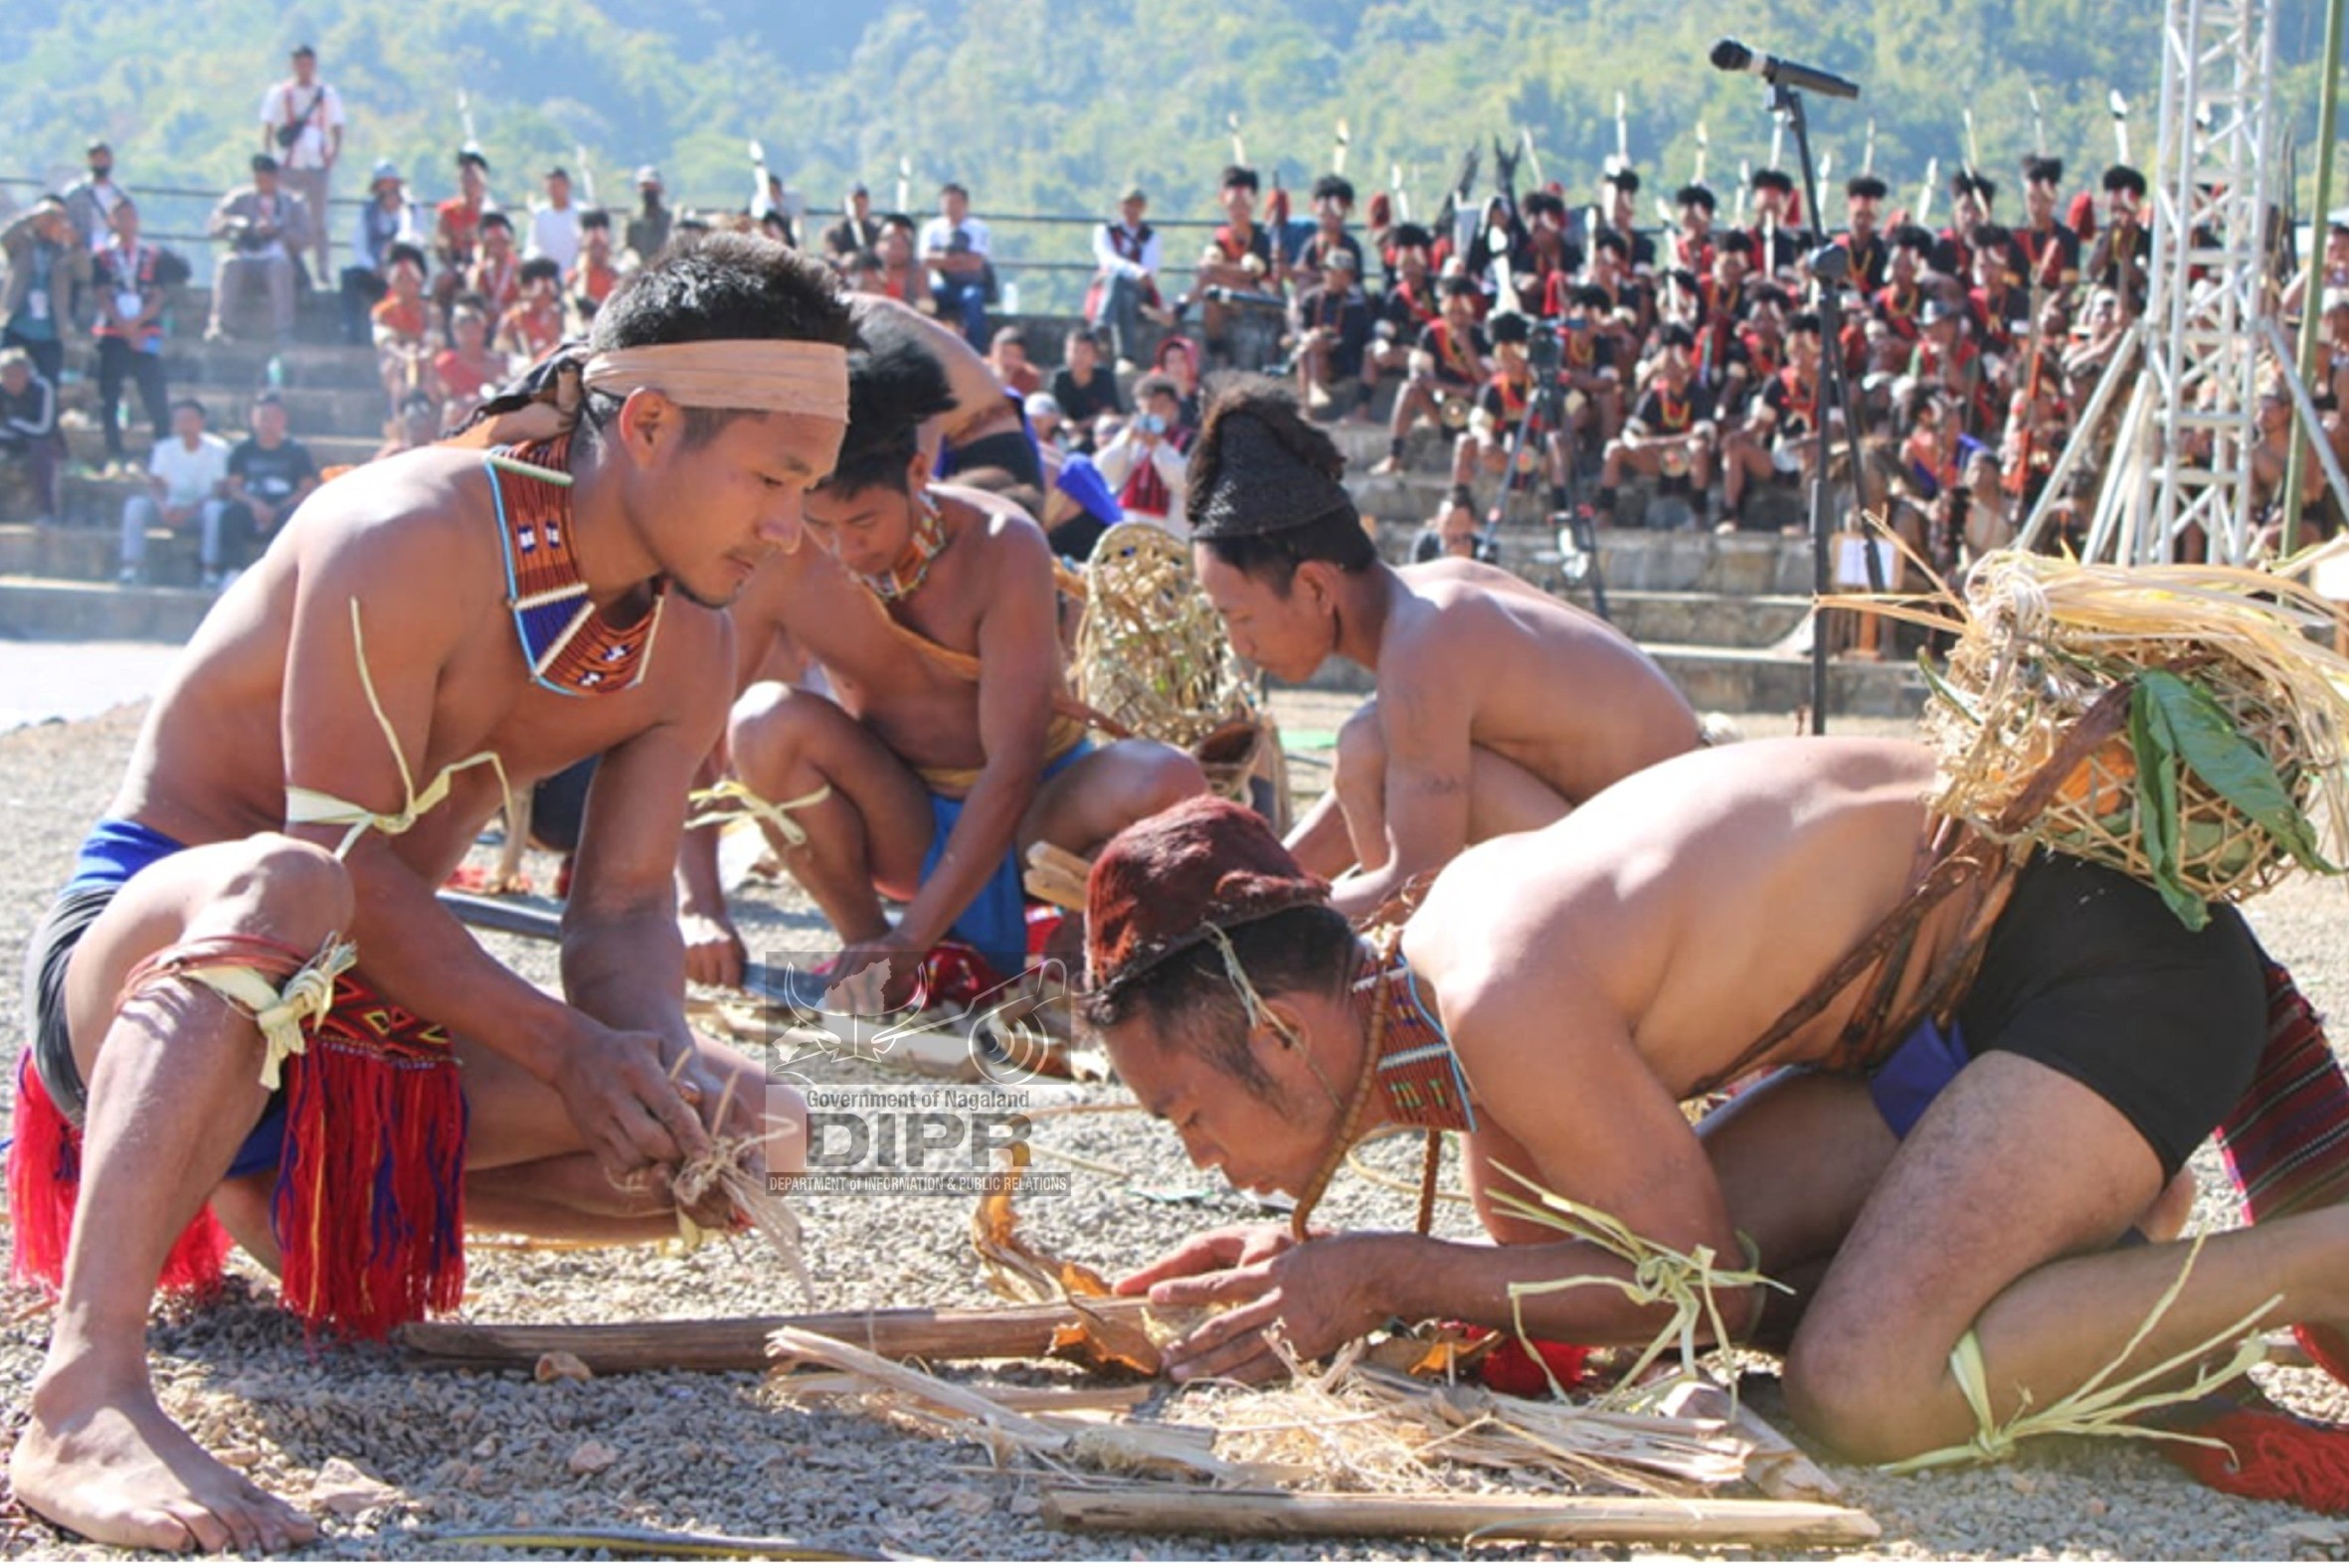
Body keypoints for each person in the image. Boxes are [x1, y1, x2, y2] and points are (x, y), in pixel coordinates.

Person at [10, 233, 853, 1552]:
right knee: (292, 884)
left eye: (806, 488)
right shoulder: (406, 530)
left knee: (755, 1136)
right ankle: (81, 1389)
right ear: (644, 425)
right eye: (771, 479)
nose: (789, 526)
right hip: (156, 973)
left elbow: (623, 906)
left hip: (356, 1027)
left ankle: (284, 1214)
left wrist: (644, 1065)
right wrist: (563, 1048)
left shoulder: (687, 634)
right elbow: (337, 862)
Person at [1078, 726, 2339, 1482]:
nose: (1201, 1157)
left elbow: (1687, 1287)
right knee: (1784, 1293)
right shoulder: (1439, 991)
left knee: (1863, 1387)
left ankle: (2315, 1259)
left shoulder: (1502, 992)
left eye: (1186, 1114)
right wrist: (1303, 1262)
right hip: (1976, 1017)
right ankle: (2084, 1221)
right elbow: (1569, 1291)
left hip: (2108, 967)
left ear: (1281, 1032)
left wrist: (1381, 1275)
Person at [706, 310, 1206, 997]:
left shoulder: (1003, 541)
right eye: (821, 524)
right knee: (760, 721)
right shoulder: (783, 554)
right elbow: (693, 728)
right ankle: (870, 950)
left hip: (1039, 811)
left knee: (1167, 778)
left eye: (864, 523)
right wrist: (695, 904)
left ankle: (1055, 940)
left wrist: (917, 932)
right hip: (905, 819)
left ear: (917, 472)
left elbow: (1013, 762)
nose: (845, 550)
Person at [1187, 380, 1698, 922]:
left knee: (1368, 746)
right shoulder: (1426, 601)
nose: (1239, 645)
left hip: (1681, 873)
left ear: (1314, 588)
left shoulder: (1427, 637)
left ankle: (1392, 973)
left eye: (1240, 618)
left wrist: (1245, 926)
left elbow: (1417, 883)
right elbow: (1364, 795)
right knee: (1366, 745)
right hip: (1644, 849)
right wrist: (1243, 891)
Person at [1595, 323, 1717, 530]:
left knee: (1698, 449)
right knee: (1615, 449)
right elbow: (1631, 433)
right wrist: (1638, 444)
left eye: (1674, 361)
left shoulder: (1699, 393)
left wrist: (1656, 442)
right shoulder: (1654, 395)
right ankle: (1604, 515)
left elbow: (1703, 436)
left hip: (1686, 458)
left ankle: (1699, 516)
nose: (1669, 367)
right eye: (1666, 361)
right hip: (1657, 458)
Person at [1374, 275, 1490, 476]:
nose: (1457, 318)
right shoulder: (1431, 333)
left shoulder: (1482, 336)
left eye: (1462, 312)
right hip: (1441, 406)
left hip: (1473, 413)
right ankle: (1395, 455)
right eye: (1452, 312)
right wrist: (1456, 389)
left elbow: (1486, 384)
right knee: (1409, 389)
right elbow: (1418, 377)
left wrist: (1467, 348)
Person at [91, 201, 175, 478]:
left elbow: (159, 295)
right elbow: (102, 294)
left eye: (131, 216)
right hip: (113, 332)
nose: (127, 221)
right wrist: (124, 325)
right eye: (121, 216)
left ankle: (162, 450)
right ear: (112, 221)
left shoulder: (151, 255)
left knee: (155, 394)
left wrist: (138, 324)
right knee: (110, 396)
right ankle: (114, 452)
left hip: (145, 331)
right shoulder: (102, 256)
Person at [117, 398, 230, 586]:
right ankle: (131, 567)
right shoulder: (164, 448)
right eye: (180, 420)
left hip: (199, 511)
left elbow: (220, 489)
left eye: (189, 420)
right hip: (170, 509)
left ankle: (210, 571)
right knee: (135, 506)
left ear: (201, 422)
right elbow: (155, 484)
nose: (184, 425)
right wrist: (163, 507)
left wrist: (190, 510)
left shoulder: (218, 449)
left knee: (215, 511)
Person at [214, 391, 320, 586]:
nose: (268, 424)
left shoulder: (296, 451)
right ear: (254, 420)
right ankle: (231, 571)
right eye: (263, 418)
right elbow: (234, 488)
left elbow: (306, 489)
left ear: (283, 420)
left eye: (273, 418)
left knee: (295, 517)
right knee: (230, 514)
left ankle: (289, 574)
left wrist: (276, 509)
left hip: (284, 505)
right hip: (252, 504)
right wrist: (256, 506)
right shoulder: (242, 450)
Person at [258, 45, 344, 284]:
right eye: (300, 64)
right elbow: (268, 125)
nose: (304, 69)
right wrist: (269, 161)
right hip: (287, 165)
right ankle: (288, 265)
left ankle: (322, 269)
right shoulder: (280, 93)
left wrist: (333, 155)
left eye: (308, 64)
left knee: (318, 220)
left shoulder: (327, 94)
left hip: (316, 165)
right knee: (284, 217)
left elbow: (337, 125)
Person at [206, 154, 312, 343]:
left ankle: (283, 329)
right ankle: (221, 325)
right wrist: (235, 224)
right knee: (229, 264)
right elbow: (214, 226)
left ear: (276, 178)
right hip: (245, 255)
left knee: (281, 267)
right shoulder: (239, 199)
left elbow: (306, 237)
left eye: (267, 179)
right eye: (259, 180)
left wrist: (279, 231)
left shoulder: (293, 203)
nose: (263, 184)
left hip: (276, 256)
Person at [3, 197, 90, 387]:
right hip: (17, 324)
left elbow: (85, 273)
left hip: (50, 331)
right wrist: (32, 217)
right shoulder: (23, 243)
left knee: (49, 383)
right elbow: (5, 238)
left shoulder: (65, 251)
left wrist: (75, 243)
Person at [1093, 373, 1190, 533]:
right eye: (1147, 408)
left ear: (1173, 408)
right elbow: (1105, 471)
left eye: (1160, 407)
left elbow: (1185, 482)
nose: (1154, 414)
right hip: (1130, 520)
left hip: (1171, 526)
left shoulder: (1187, 440)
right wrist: (1126, 441)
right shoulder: (1129, 438)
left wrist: (1158, 447)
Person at [1288, 250, 1373, 421]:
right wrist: (1309, 337)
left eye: (1338, 273)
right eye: (1329, 271)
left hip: (1342, 358)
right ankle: (1310, 399)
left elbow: (1353, 339)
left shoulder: (1356, 303)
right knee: (1306, 351)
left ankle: (1311, 399)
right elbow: (1298, 328)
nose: (1332, 276)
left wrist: (1327, 342)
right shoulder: (1311, 298)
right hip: (1312, 351)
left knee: (1311, 350)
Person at [343, 160, 422, 346]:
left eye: (392, 186)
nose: (389, 192)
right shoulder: (367, 211)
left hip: (402, 270)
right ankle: (350, 331)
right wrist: (373, 267)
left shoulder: (411, 209)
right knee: (350, 278)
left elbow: (413, 239)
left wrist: (392, 265)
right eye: (384, 186)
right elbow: (359, 244)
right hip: (375, 270)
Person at [1089, 185, 1163, 370]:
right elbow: (1106, 258)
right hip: (1111, 288)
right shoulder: (1105, 231)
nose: (1132, 209)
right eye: (1128, 204)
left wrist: (1133, 274)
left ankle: (1103, 325)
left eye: (1136, 205)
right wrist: (1133, 271)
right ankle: (1126, 355)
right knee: (1120, 287)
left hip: (1138, 290)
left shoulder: (1150, 237)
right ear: (1120, 206)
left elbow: (1149, 270)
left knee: (1121, 285)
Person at [920, 181, 993, 349]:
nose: (951, 207)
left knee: (974, 298)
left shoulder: (978, 229)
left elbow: (975, 263)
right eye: (947, 203)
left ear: (965, 205)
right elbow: (926, 261)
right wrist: (959, 259)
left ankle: (977, 349)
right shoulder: (932, 229)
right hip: (939, 285)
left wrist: (943, 261)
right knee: (923, 301)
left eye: (956, 203)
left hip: (969, 284)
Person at [0, 346, 62, 522]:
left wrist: (17, 425)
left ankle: (46, 512)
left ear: (27, 374)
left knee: (40, 452)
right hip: (8, 440)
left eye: (16, 375)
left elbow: (45, 428)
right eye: (6, 375)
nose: (11, 381)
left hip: (42, 440)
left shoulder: (42, 389)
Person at [432, 150, 493, 315]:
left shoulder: (489, 212)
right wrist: (450, 259)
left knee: (474, 278)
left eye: (473, 181)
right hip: (455, 259)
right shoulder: (448, 211)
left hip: (483, 260)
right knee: (443, 280)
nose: (469, 185)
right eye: (465, 180)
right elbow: (440, 240)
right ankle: (439, 321)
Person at [1050, 327, 1123, 448]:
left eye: (1084, 352)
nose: (1078, 357)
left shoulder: (1104, 376)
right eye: (1073, 351)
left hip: (1098, 429)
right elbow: (1058, 413)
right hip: (1069, 432)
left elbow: (1108, 412)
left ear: (1095, 355)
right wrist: (1069, 427)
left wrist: (1078, 427)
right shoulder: (1060, 378)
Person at [60, 141, 129, 253]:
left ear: (111, 160)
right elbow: (64, 219)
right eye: (95, 158)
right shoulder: (75, 193)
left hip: (112, 249)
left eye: (103, 157)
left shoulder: (120, 195)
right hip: (83, 250)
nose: (100, 162)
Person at [496, 258, 568, 361]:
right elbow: (501, 351)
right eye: (543, 289)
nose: (546, 294)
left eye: (548, 289)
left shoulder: (560, 316)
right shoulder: (514, 318)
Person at [569, 209, 628, 323]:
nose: (597, 251)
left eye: (601, 246)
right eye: (593, 246)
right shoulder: (575, 280)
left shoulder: (619, 275)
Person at [528, 167, 583, 276]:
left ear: (568, 185)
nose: (554, 191)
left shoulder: (581, 213)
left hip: (575, 273)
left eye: (557, 186)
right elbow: (534, 244)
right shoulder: (540, 214)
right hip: (548, 275)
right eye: (550, 187)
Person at [822, 183, 881, 262]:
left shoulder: (876, 231)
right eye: (855, 203)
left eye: (863, 204)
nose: (859, 208)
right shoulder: (833, 232)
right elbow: (831, 256)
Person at [987, 325, 1043, 399]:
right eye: (1005, 353)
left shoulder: (1030, 377)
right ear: (993, 350)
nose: (1009, 360)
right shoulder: (979, 369)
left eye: (1016, 356)